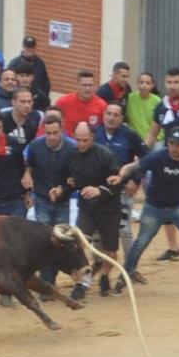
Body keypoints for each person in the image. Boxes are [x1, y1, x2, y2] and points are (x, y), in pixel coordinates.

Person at [119, 125, 179, 293]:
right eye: (170, 143)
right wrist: (128, 178)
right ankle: (126, 274)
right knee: (141, 242)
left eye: (178, 144)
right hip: (154, 207)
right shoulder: (157, 157)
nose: (173, 148)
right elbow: (137, 167)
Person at [64, 122, 122, 300]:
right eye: (78, 140)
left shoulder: (105, 155)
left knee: (111, 251)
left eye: (84, 140)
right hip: (87, 208)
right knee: (78, 245)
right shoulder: (72, 155)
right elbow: (70, 180)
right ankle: (81, 283)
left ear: (92, 138)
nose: (80, 144)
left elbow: (117, 182)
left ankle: (104, 275)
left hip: (109, 208)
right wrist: (63, 188)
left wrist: (100, 190)